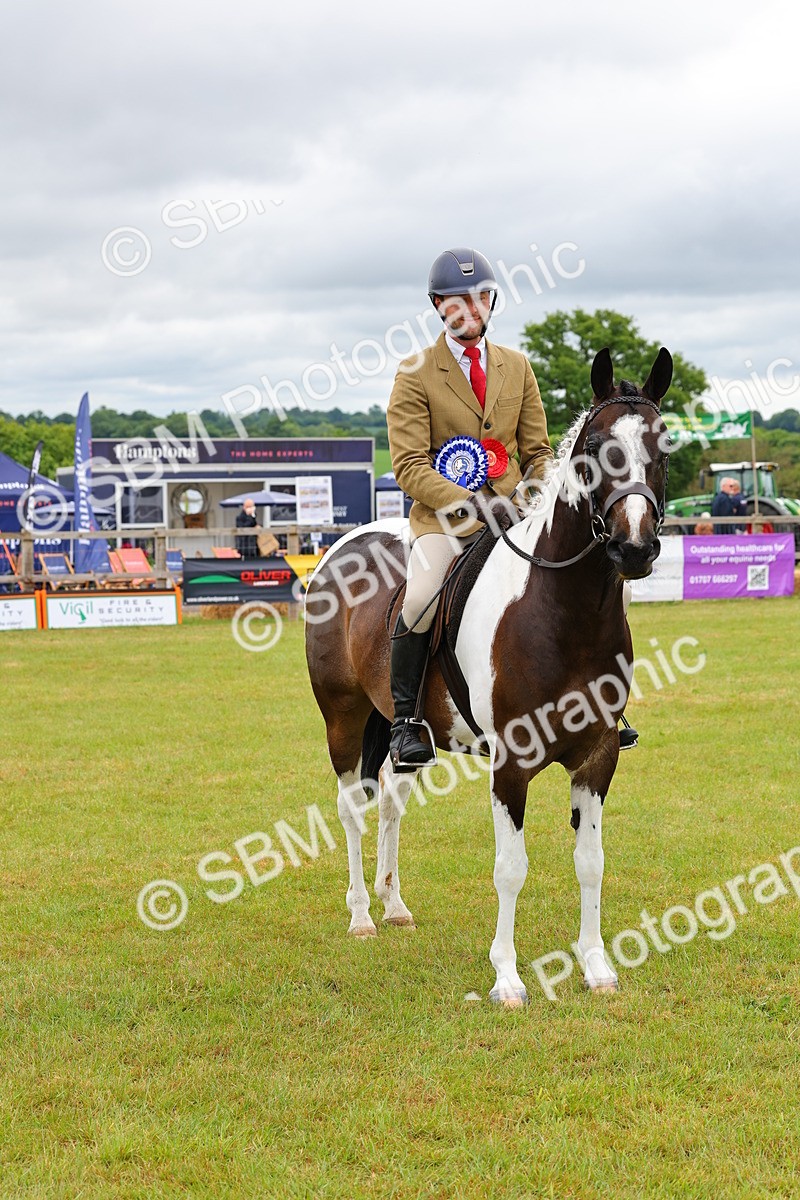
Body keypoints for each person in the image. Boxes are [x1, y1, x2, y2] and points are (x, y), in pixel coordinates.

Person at [385, 248, 552, 769]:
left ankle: (601, 707)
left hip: (517, 518)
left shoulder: (517, 366)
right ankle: (406, 721)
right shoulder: (414, 373)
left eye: (480, 296)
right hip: (443, 523)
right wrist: (473, 507)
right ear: (438, 305)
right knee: (420, 598)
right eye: (459, 300)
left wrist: (525, 499)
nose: (472, 308)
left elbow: (539, 453)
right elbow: (409, 465)